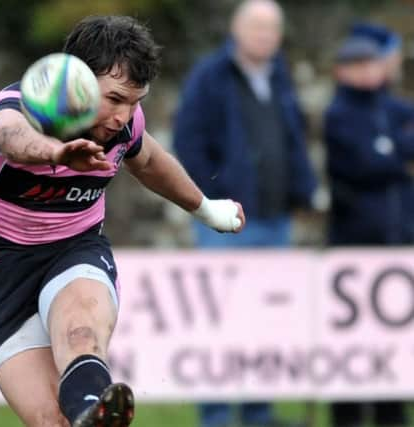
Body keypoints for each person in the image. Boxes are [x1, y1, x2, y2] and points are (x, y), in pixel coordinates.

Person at [0, 15, 245, 427]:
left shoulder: (124, 128)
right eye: (114, 98)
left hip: (74, 248)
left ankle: (95, 409)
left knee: (81, 334)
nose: (122, 117)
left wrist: (206, 208)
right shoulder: (13, 107)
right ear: (77, 79)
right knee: (50, 419)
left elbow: (148, 161)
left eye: (135, 101)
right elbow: (10, 137)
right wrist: (56, 153)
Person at [172, 0, 316, 426]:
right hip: (226, 222)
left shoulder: (280, 74)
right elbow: (188, 141)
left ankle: (258, 413)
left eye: (272, 28)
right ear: (238, 30)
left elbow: (293, 138)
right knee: (221, 320)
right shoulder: (210, 76)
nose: (265, 36)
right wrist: (211, 200)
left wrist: (302, 190)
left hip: (274, 218)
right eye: (257, 27)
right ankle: (216, 415)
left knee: (266, 321)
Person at [324, 35, 414, 427]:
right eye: (357, 65)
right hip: (354, 243)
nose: (367, 71)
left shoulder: (392, 108)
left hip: (397, 240)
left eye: (372, 64)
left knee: (394, 343)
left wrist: (391, 151)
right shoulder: (338, 113)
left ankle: (391, 415)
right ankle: (347, 417)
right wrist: (398, 157)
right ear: (342, 70)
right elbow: (364, 164)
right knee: (352, 345)